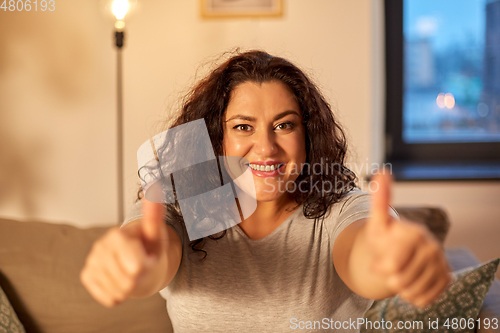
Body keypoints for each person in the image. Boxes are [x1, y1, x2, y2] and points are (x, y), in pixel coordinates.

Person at [80, 50, 451, 332]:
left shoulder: (342, 209)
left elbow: (365, 257)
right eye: (243, 127)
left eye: (284, 125)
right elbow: (153, 258)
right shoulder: (179, 203)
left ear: (307, 135)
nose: (266, 147)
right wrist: (135, 259)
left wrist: (388, 261)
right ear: (217, 137)